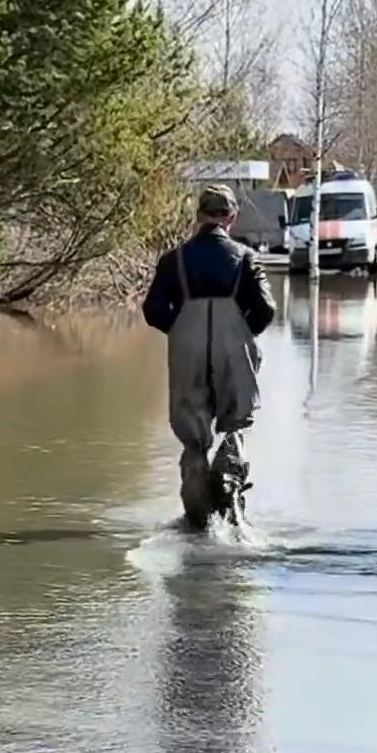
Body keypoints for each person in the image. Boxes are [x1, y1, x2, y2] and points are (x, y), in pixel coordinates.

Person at [142, 185, 277, 529]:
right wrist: (241, 333)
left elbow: (153, 310)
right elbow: (265, 310)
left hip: (187, 345)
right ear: (231, 218)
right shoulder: (247, 258)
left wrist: (183, 329)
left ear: (199, 216)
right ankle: (229, 491)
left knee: (192, 432)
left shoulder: (174, 260)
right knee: (235, 423)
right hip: (234, 346)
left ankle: (198, 516)